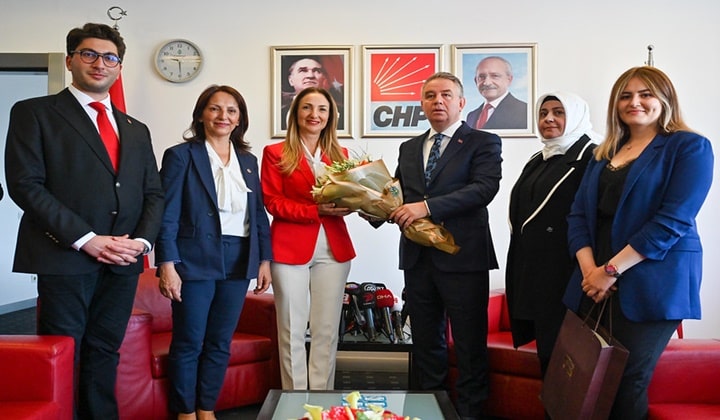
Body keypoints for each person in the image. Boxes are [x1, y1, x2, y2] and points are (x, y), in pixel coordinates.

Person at [4, 23, 164, 418]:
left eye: (110, 57)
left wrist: (141, 243)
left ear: (119, 67)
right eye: (89, 54)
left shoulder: (136, 129)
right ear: (70, 60)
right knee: (64, 354)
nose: (100, 63)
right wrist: (87, 238)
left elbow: (153, 194)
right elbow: (25, 185)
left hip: (123, 260)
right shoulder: (35, 113)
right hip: (65, 257)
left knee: (105, 350)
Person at [565, 66, 713, 419]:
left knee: (626, 381)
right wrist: (590, 271)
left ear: (665, 99)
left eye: (645, 94)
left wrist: (610, 271)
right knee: (587, 380)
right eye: (626, 96)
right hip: (594, 283)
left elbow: (672, 221)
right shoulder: (603, 154)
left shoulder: (689, 147)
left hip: (652, 283)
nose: (635, 102)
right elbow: (578, 216)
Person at [388, 72, 502, 419]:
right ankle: (429, 410)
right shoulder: (409, 148)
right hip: (418, 257)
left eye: (446, 95)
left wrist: (427, 207)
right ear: (422, 104)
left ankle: (469, 413)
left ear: (461, 102)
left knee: (468, 343)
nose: (438, 101)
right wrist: (369, 209)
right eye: (430, 95)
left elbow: (483, 189)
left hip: (463, 257)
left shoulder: (483, 142)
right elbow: (398, 194)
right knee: (425, 342)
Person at [155, 85, 272, 420]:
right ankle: (185, 412)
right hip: (193, 258)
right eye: (215, 108)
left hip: (239, 257)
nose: (223, 116)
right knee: (190, 341)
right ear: (201, 115)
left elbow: (257, 214)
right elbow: (167, 214)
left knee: (220, 341)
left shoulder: (248, 161)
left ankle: (207, 409)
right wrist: (167, 263)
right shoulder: (181, 155)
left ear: (240, 118)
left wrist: (264, 259)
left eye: (231, 110)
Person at [261, 87, 356, 390]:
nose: (314, 115)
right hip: (289, 247)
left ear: (330, 116)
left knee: (326, 329)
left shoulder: (341, 156)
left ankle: (321, 396)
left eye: (322, 109)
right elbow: (272, 202)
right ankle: (295, 397)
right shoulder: (275, 153)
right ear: (296, 113)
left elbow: (350, 197)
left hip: (334, 249)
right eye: (307, 108)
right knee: (291, 327)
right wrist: (315, 210)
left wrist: (359, 202)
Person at [505, 92, 597, 379]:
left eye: (559, 112)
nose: (548, 119)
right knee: (548, 355)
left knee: (566, 363)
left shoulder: (592, 156)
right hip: (536, 274)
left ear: (576, 116)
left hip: (568, 273)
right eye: (543, 113)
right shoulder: (540, 158)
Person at [280, 56, 344, 130]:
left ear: (324, 79)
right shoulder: (278, 115)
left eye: (317, 71)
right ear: (291, 80)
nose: (310, 76)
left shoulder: (343, 113)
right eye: (303, 70)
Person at [466, 56, 528, 130]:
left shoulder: (524, 111)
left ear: (509, 80)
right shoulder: (471, 116)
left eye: (495, 76)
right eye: (481, 77)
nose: (486, 83)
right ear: (476, 81)